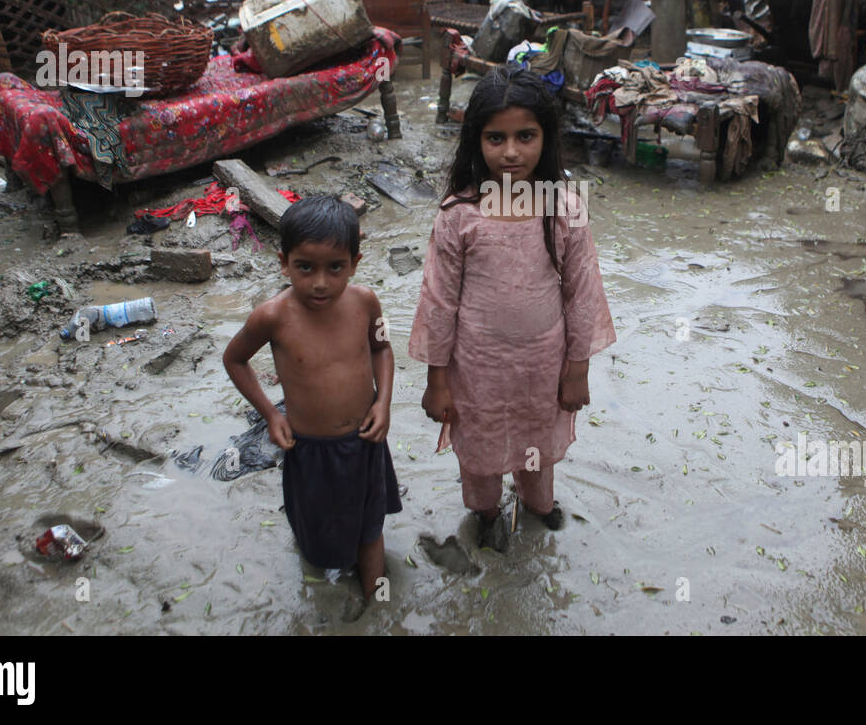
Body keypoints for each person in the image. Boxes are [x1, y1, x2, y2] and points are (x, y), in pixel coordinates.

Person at [408, 65, 616, 552]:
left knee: (536, 445)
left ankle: (539, 505)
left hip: (544, 363)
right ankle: (483, 513)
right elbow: (438, 303)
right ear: (475, 142)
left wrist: (577, 369)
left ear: (547, 137)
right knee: (479, 449)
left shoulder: (564, 207)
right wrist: (437, 380)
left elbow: (583, 296)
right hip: (475, 365)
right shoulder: (460, 214)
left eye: (526, 136)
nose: (511, 152)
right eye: (495, 138)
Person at [222, 195, 399, 600]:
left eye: (335, 268)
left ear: (355, 263)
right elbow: (234, 360)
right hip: (309, 449)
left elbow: (382, 348)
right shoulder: (272, 316)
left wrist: (383, 402)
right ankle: (321, 596)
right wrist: (270, 414)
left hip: (365, 441)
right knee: (316, 530)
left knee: (371, 529)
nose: (320, 282)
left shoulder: (366, 302)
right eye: (305, 267)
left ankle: (378, 603)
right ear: (284, 262)